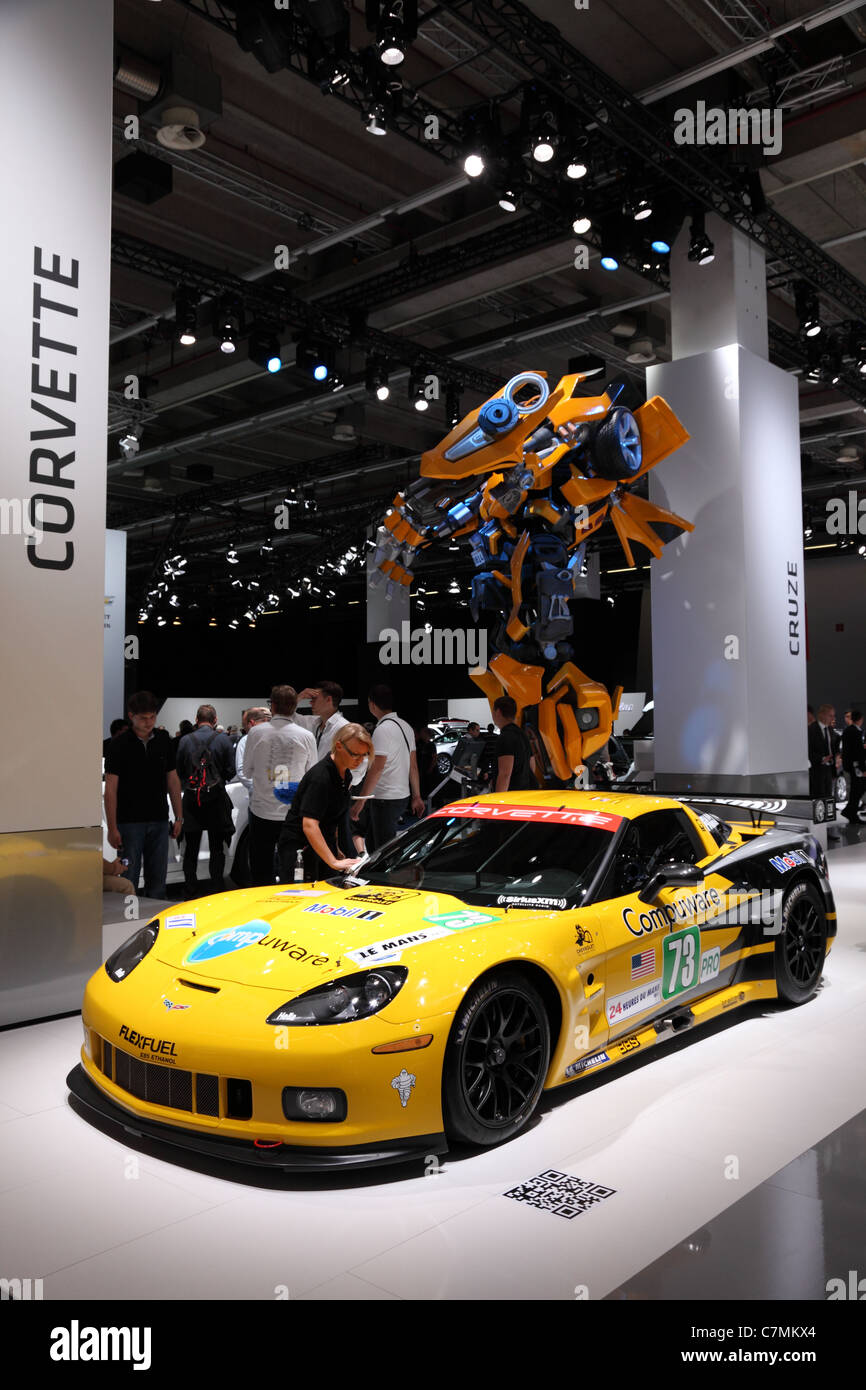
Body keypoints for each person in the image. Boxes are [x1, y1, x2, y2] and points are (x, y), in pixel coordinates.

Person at [104, 691, 182, 900]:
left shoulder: (164, 739)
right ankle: (125, 923)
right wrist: (112, 827)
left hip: (158, 819)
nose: (149, 723)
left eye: (152, 717)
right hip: (129, 823)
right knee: (127, 879)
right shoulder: (118, 745)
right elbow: (110, 788)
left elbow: (172, 779)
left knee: (158, 881)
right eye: (143, 718)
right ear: (131, 716)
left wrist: (179, 816)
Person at [278, 723, 374, 881]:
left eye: (364, 755)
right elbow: (309, 825)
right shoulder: (321, 777)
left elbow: (331, 818)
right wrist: (332, 860)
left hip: (321, 845)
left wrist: (334, 850)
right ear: (339, 746)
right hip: (300, 849)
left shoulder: (345, 775)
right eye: (355, 754)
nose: (360, 760)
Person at [243, 685, 316, 884]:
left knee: (261, 867)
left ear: (272, 706)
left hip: (262, 810)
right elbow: (312, 776)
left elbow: (247, 770)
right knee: (292, 868)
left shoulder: (256, 733)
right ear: (294, 706)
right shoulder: (306, 736)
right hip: (292, 813)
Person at [351, 684, 425, 850]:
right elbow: (413, 766)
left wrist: (360, 802)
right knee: (379, 844)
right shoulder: (406, 727)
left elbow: (377, 769)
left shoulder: (382, 730)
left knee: (383, 850)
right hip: (401, 797)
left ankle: (386, 876)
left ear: (372, 704)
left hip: (385, 798)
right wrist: (417, 796)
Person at [176, 705, 236, 895]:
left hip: (192, 800)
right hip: (216, 799)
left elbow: (178, 769)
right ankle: (217, 887)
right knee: (217, 847)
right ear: (215, 719)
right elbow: (231, 770)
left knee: (190, 847)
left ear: (196, 719)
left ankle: (190, 889)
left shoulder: (184, 740)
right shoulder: (223, 739)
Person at [492, 695, 536, 792]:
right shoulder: (522, 734)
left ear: (498, 712)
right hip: (525, 791)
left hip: (512, 794)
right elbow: (532, 764)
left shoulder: (506, 737)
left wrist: (499, 801)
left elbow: (505, 774)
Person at [234, 706, 270, 792]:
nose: (244, 727)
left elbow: (242, 771)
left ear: (251, 722)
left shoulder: (246, 741)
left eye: (244, 724)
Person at [808, 703, 840, 799]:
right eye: (830, 715)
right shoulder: (811, 729)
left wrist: (837, 756)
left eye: (833, 715)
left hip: (829, 769)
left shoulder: (830, 730)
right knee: (818, 797)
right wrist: (821, 759)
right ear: (822, 715)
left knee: (828, 796)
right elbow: (808, 750)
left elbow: (834, 747)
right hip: (817, 770)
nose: (833, 718)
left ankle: (826, 813)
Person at [841, 710, 866, 824]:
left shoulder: (848, 731)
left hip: (850, 765)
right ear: (860, 719)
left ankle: (850, 811)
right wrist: (863, 768)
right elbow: (858, 752)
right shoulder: (856, 732)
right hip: (856, 766)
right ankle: (851, 812)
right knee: (858, 789)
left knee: (857, 789)